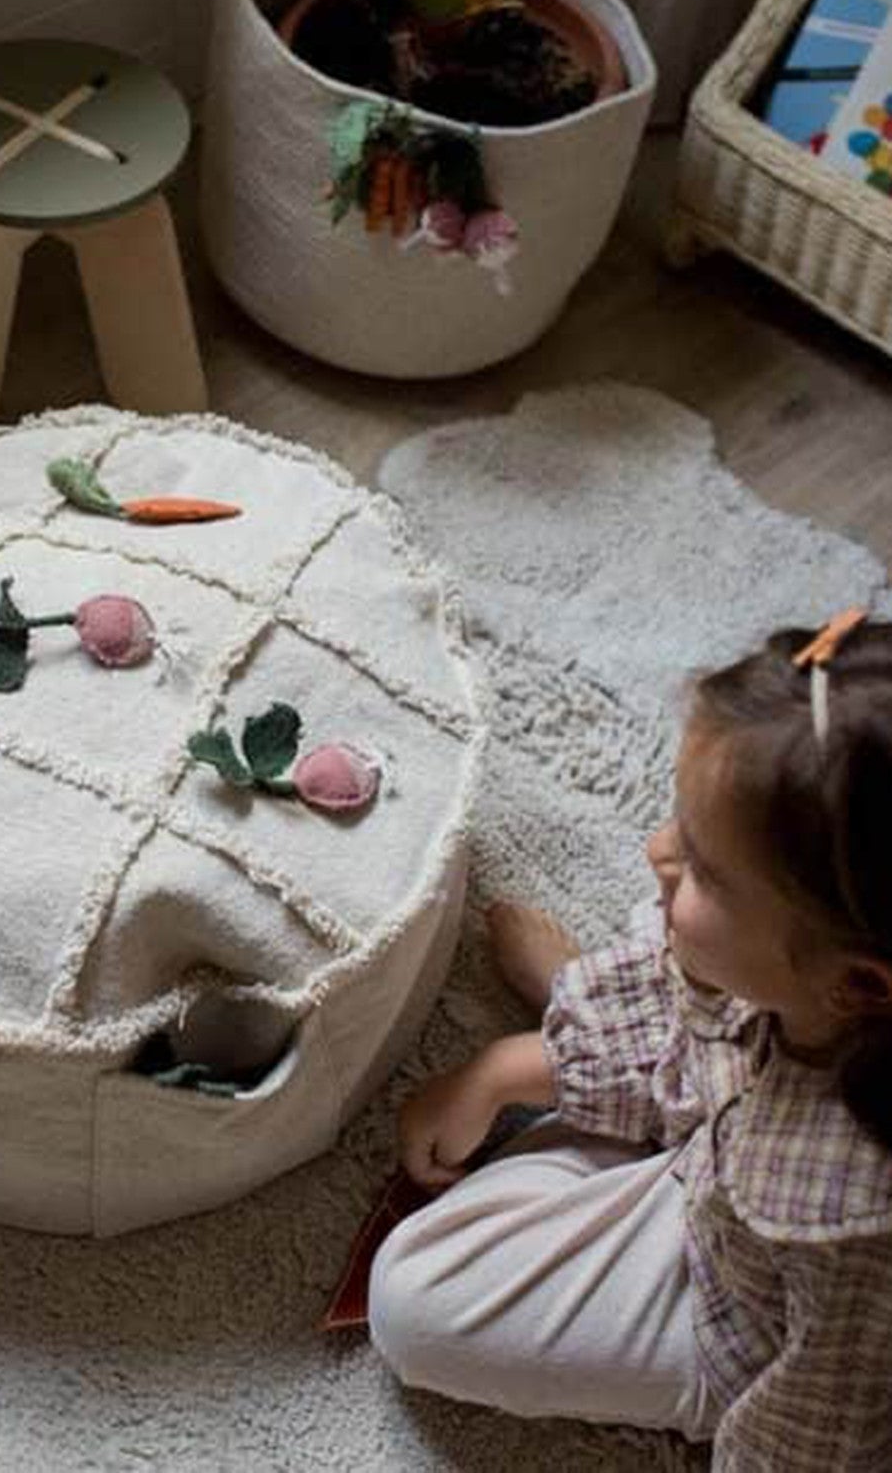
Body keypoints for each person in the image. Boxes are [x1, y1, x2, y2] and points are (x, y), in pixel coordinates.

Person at [368, 612, 892, 1469]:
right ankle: (619, 1028)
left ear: (861, 986)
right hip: (745, 1113)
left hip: (753, 1301)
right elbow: (720, 1016)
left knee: (414, 1300)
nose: (654, 849)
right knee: (676, 927)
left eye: (703, 866)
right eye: (676, 822)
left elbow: (818, 1434)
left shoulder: (850, 1229)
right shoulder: (823, 976)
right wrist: (509, 1070)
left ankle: (627, 1050)